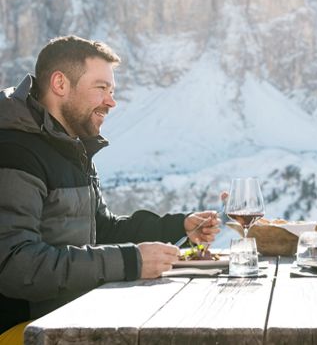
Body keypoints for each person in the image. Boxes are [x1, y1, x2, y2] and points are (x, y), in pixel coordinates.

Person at [0, 36, 220, 340]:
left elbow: (102, 230)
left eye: (112, 90)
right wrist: (132, 261)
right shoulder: (15, 151)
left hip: (68, 317)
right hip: (23, 331)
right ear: (60, 84)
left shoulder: (69, 148)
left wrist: (178, 226)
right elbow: (17, 267)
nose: (111, 101)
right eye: (101, 88)